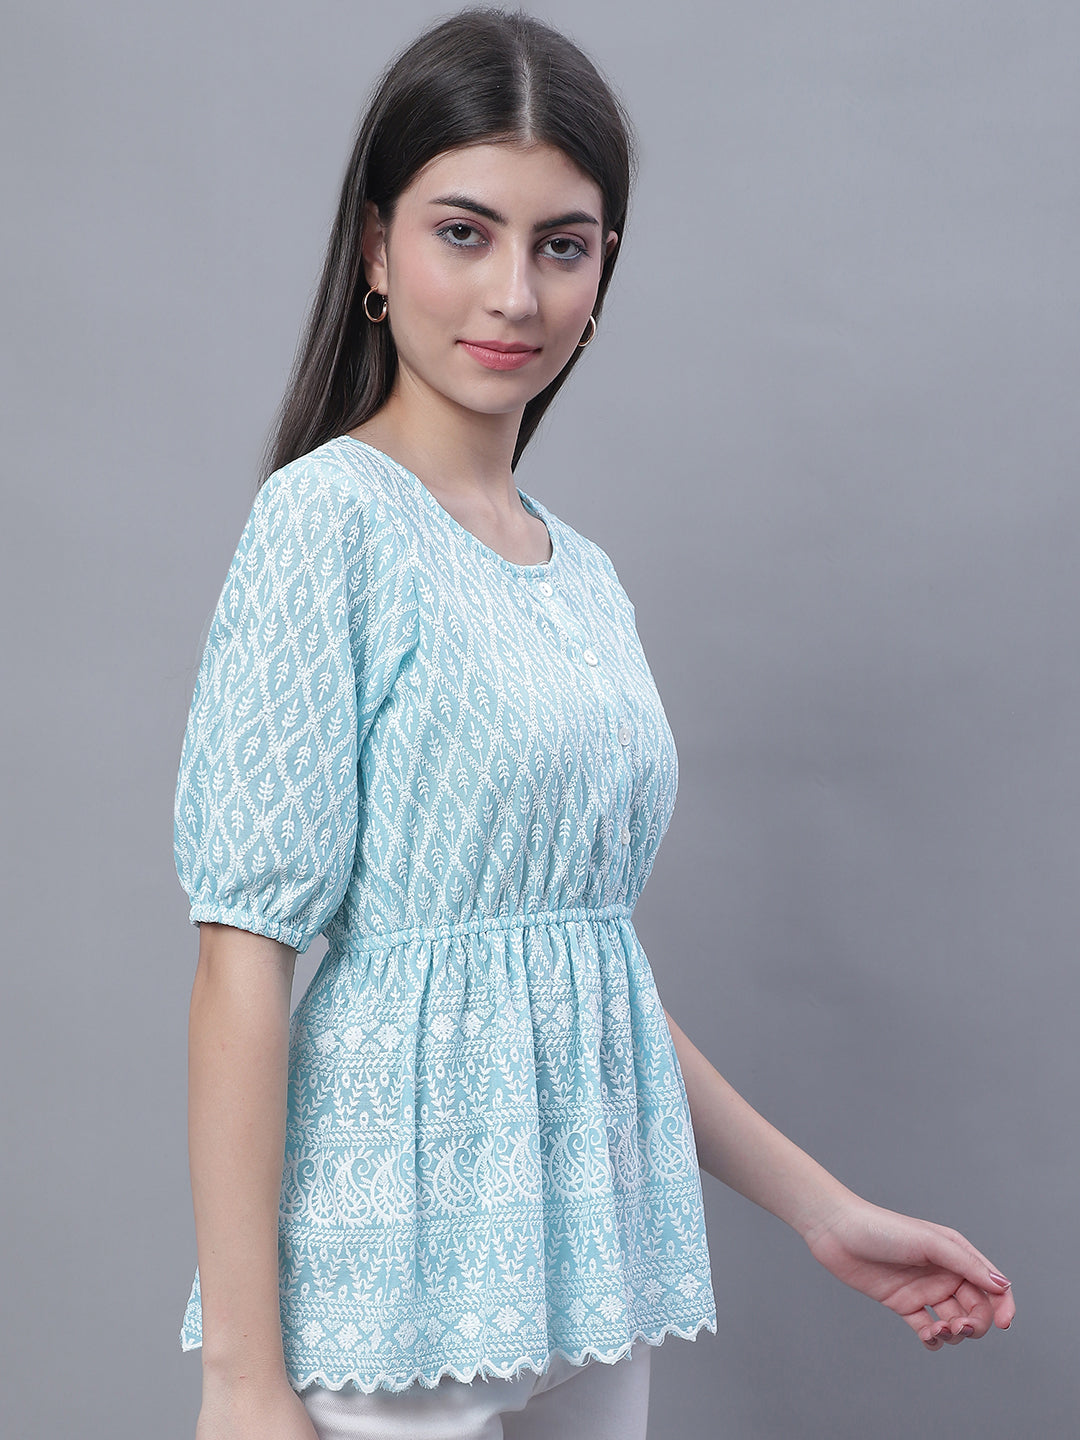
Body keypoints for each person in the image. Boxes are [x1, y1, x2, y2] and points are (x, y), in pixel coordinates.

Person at [174, 10, 1015, 1439]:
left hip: (585, 1266)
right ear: (375, 249)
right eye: (463, 233)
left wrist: (825, 1211)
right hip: (389, 1283)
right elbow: (239, 961)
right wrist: (244, 1382)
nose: (513, 294)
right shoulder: (325, 524)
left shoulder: (582, 576)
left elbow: (575, 969)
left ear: (603, 270)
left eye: (561, 246)